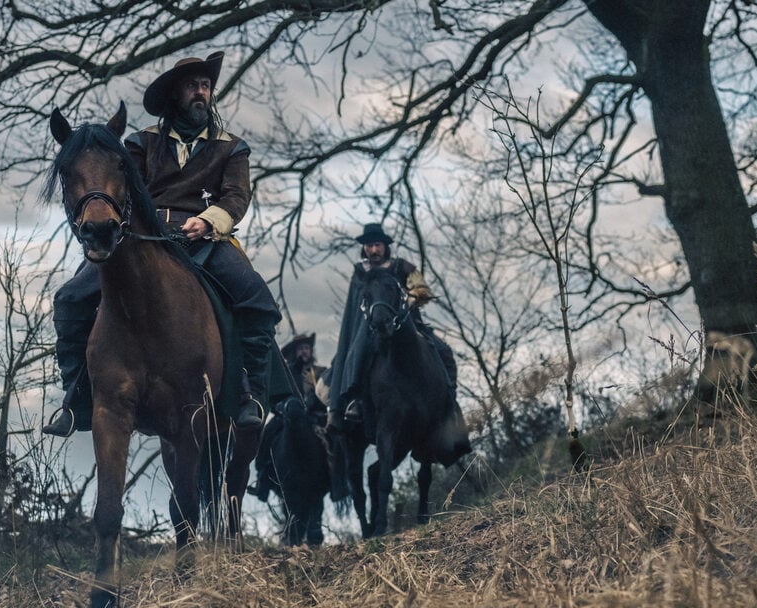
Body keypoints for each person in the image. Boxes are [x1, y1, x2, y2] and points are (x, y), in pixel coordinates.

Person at [43, 51, 282, 436]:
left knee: (256, 298)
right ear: (175, 94)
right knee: (70, 297)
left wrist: (208, 222)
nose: (201, 92)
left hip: (207, 239)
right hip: (142, 238)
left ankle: (248, 392)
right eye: (192, 86)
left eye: (205, 86)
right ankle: (76, 399)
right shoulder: (140, 144)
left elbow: (237, 197)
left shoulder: (232, 147)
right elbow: (122, 190)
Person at [327, 223, 458, 433]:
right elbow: (356, 306)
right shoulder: (361, 272)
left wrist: (413, 296)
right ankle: (355, 400)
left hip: (405, 325)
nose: (373, 250)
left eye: (377, 245)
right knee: (357, 354)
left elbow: (422, 288)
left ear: (385, 246)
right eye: (369, 246)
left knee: (443, 351)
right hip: (369, 328)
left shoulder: (401, 267)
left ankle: (448, 402)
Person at [251, 333, 327, 502]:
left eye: (307, 348)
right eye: (301, 349)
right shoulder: (286, 373)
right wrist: (284, 408)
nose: (304, 352)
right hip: (289, 416)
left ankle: (339, 480)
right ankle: (262, 478)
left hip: (316, 417)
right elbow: (276, 396)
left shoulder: (321, 372)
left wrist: (315, 403)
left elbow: (326, 395)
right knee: (267, 433)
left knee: (335, 438)